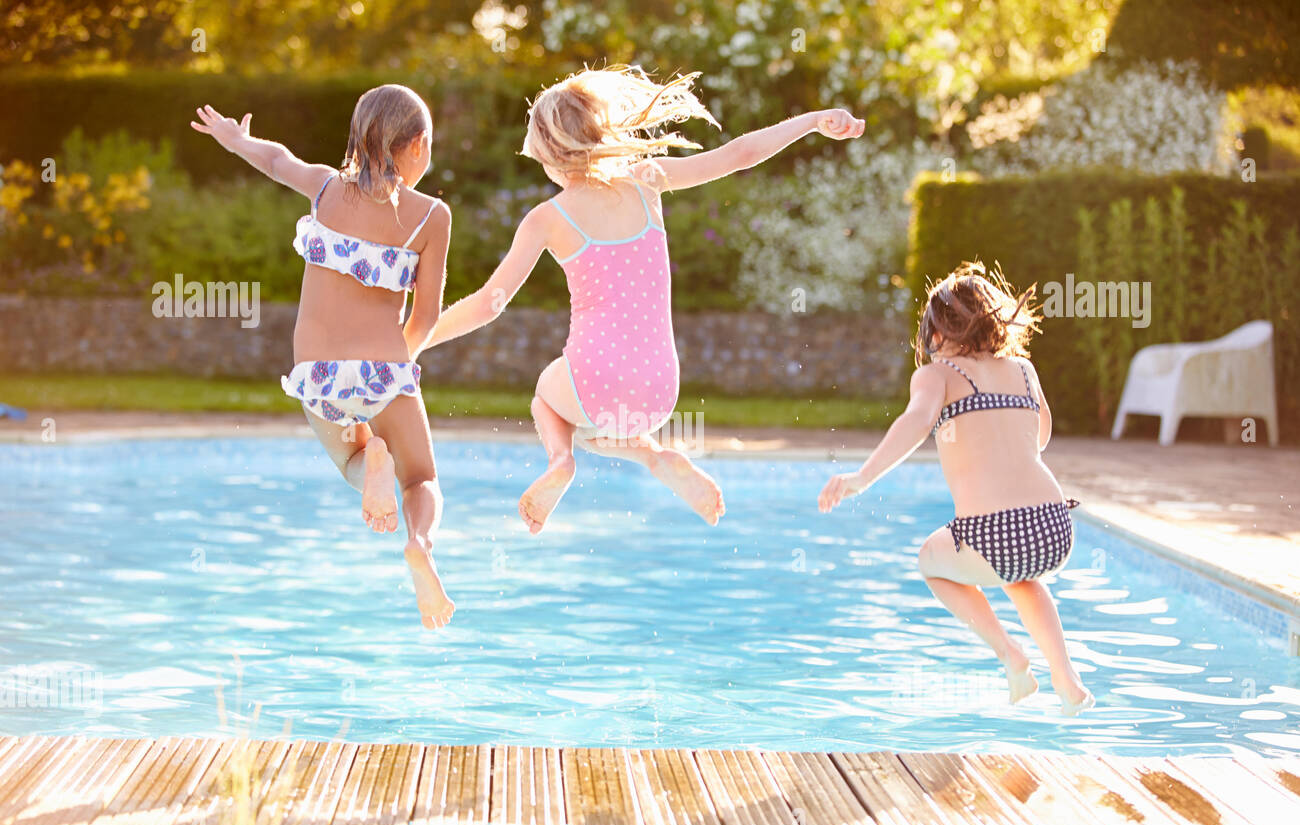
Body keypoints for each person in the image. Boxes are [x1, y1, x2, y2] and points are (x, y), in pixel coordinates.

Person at [416, 66, 864, 534]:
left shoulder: (546, 218)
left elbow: (491, 303)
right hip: (660, 390)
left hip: (592, 380)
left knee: (548, 404)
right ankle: (655, 455)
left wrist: (419, 337)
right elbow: (740, 155)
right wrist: (813, 120)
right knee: (601, 429)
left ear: (550, 156)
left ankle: (560, 462)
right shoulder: (648, 180)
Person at [190, 86, 455, 628]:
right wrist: (391, 372)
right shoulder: (431, 216)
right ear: (419, 145)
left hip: (316, 376)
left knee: (352, 462)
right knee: (421, 480)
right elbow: (425, 317)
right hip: (383, 371)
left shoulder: (326, 189)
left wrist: (236, 139)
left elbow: (275, 159)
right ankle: (419, 544)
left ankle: (370, 462)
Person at [818, 262, 1094, 715]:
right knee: (1023, 578)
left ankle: (1011, 655)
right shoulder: (1024, 370)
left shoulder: (938, 375)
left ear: (939, 331)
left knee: (931, 563)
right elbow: (1040, 436)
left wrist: (861, 477)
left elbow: (915, 422)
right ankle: (1067, 680)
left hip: (993, 534)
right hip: (1053, 528)